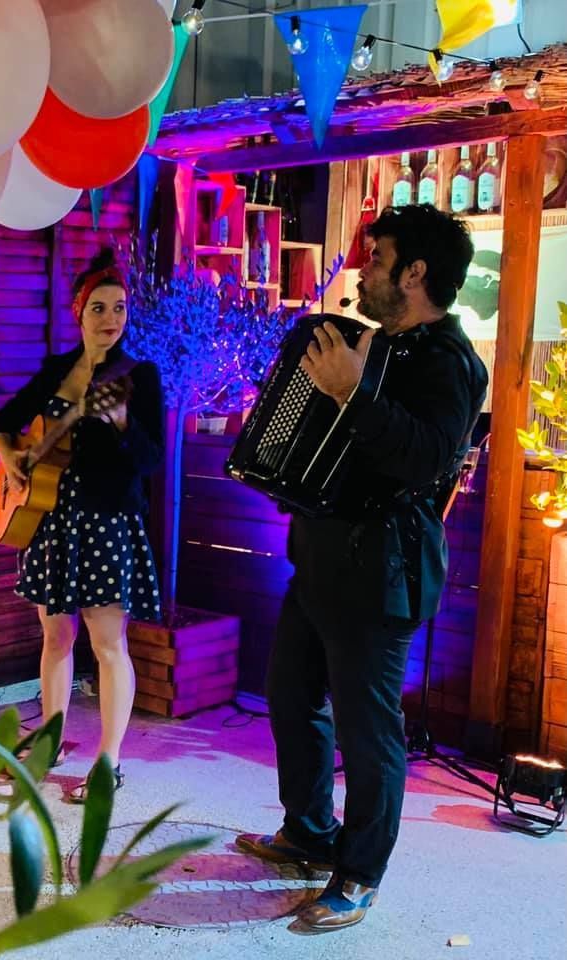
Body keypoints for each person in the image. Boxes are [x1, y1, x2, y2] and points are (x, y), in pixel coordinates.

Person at [237, 204, 489, 931]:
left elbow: (425, 458)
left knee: (369, 732)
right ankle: (309, 834)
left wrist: (351, 393)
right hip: (319, 556)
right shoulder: (370, 344)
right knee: (290, 696)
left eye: (376, 258)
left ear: (415, 272)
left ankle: (358, 873)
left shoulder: (451, 363)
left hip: (383, 570)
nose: (363, 270)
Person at [0, 248, 164, 802]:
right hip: (51, 522)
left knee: (108, 644)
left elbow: (153, 459)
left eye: (119, 308)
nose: (110, 319)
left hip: (107, 521)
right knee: (55, 635)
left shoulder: (137, 377)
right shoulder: (56, 371)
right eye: (98, 308)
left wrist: (119, 426)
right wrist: (9, 457)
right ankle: (50, 736)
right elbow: (3, 424)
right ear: (79, 313)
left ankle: (108, 762)